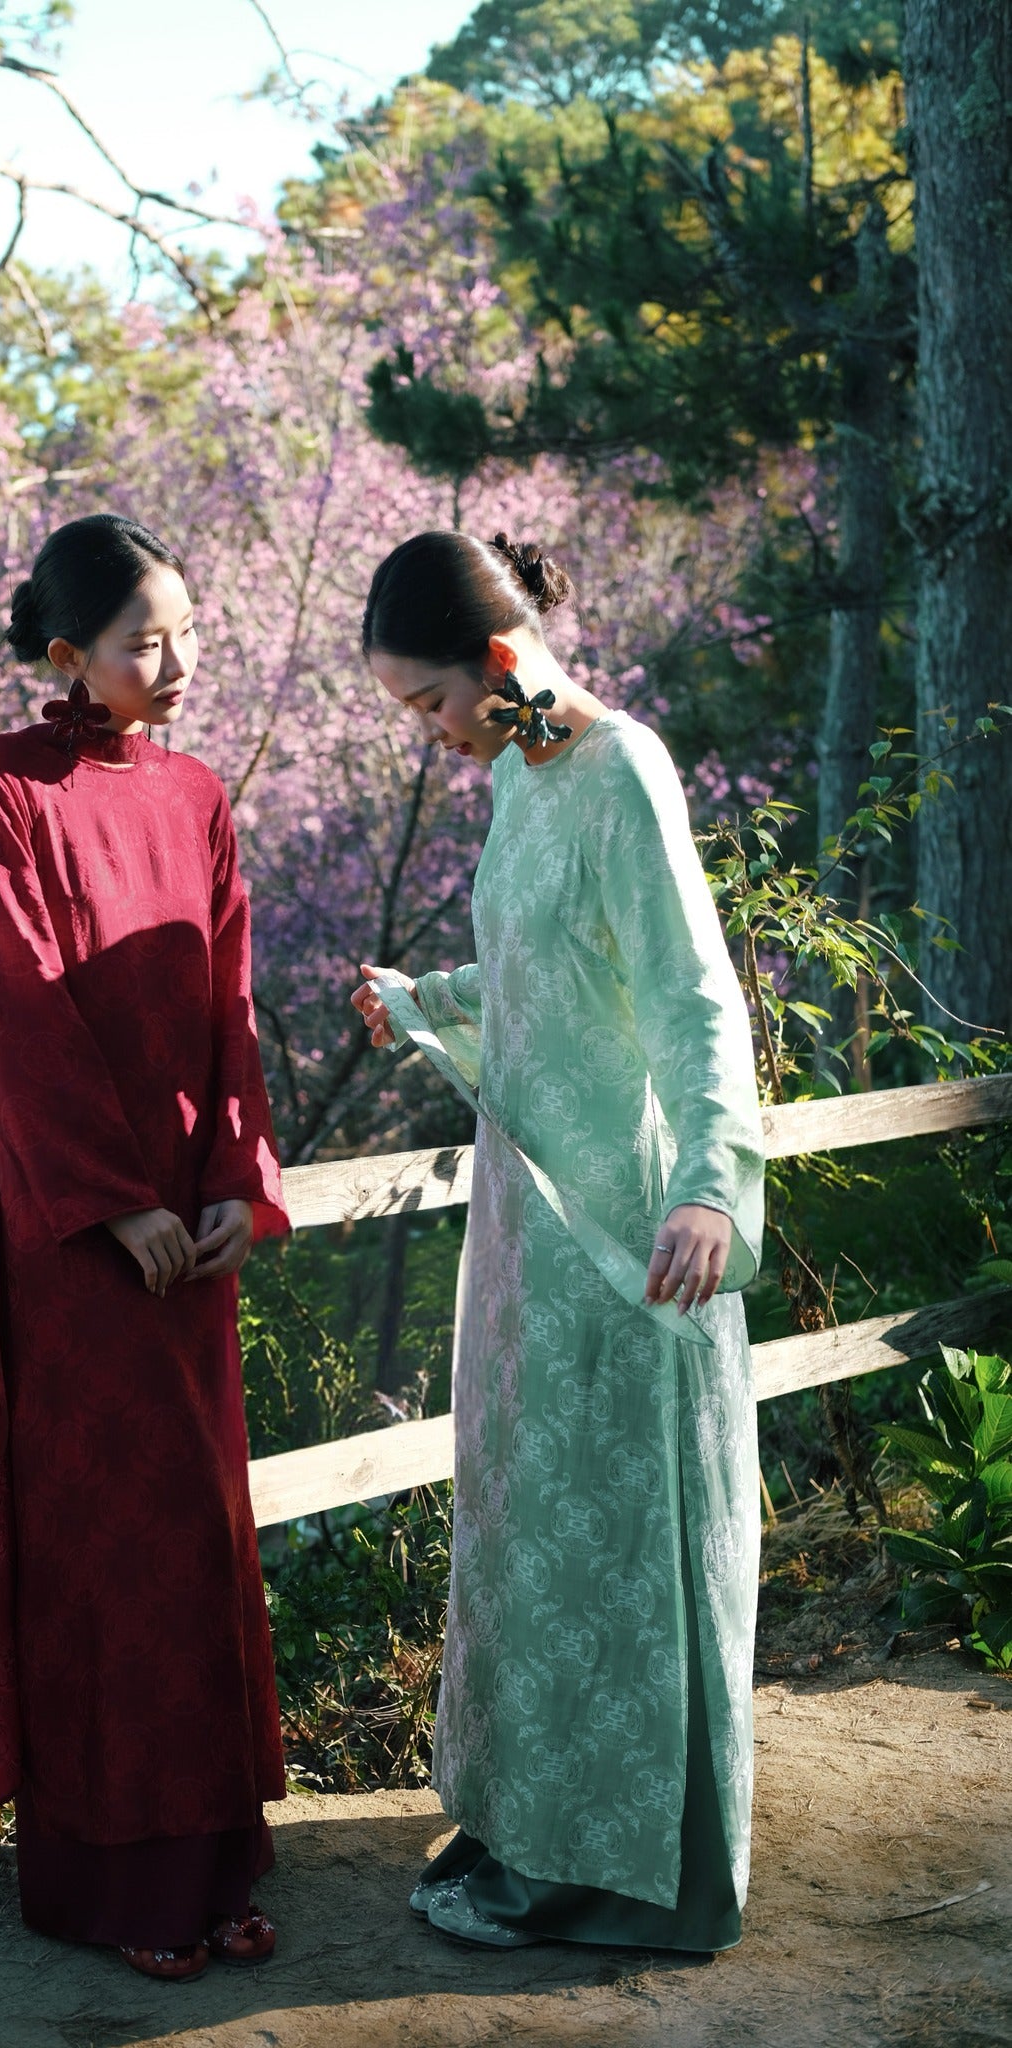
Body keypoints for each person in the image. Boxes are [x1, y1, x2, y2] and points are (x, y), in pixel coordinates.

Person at [351, 530, 765, 1954]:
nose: (435, 737)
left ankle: (624, 1866)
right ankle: (536, 1814)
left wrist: (712, 1186)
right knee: (532, 1532)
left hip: (629, 1229)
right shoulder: (521, 784)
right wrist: (425, 997)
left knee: (616, 1548)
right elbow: (542, 964)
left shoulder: (617, 769)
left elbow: (692, 995)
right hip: (528, 1224)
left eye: (430, 706)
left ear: (499, 662)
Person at [0, 514, 290, 1985]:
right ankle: (111, 1885)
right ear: (66, 655)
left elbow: (228, 995)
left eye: (188, 631)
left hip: (179, 1229)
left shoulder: (196, 794)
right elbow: (17, 999)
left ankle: (211, 1866)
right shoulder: (2, 784)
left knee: (197, 1541)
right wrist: (110, 1196)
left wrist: (227, 1184)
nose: (178, 662)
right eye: (146, 641)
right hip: (67, 1234)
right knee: (97, 1554)